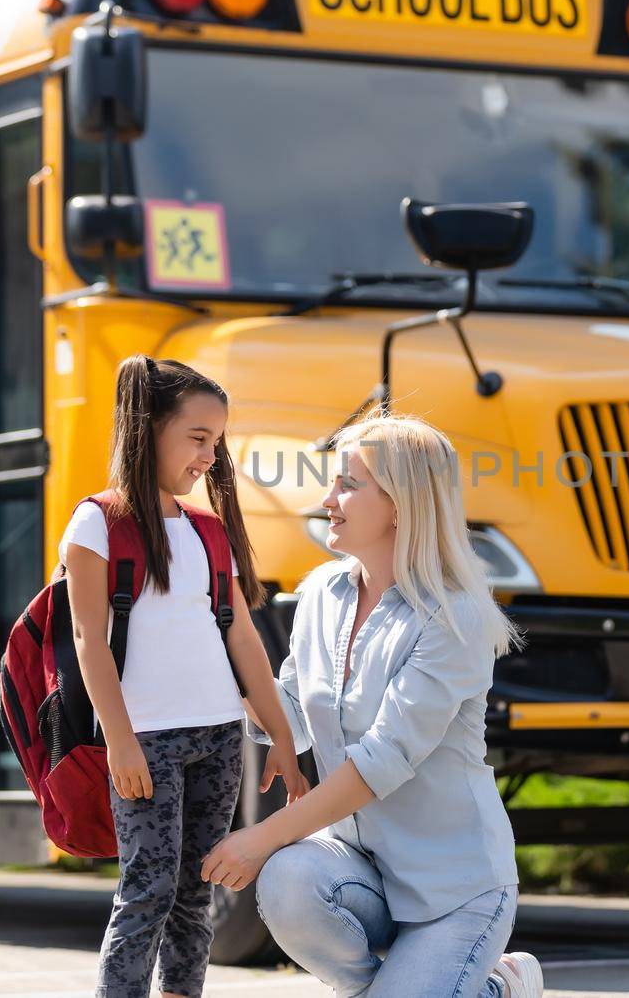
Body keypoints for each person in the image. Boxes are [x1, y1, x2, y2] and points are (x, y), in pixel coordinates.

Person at [199, 413, 545, 998]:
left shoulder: (454, 617)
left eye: (348, 485)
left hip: (455, 891)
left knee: (275, 854)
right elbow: (290, 714)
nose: (327, 499)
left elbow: (380, 763)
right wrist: (203, 667)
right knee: (289, 878)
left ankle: (502, 985)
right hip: (360, 872)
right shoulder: (319, 597)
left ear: (402, 504)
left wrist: (261, 837)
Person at [65, 354, 309, 998]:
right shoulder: (98, 522)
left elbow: (241, 635)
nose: (208, 455)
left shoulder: (207, 530)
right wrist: (119, 741)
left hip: (220, 735)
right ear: (149, 429)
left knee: (196, 895)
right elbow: (89, 639)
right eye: (197, 438)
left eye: (216, 441)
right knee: (148, 889)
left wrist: (280, 736)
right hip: (145, 739)